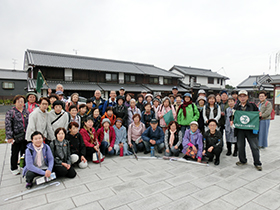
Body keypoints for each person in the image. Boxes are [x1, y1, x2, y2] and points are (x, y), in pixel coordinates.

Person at [231, 90, 262, 171]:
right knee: (240, 146)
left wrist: (259, 115)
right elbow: (232, 116)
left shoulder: (252, 105)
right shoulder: (236, 106)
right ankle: (243, 160)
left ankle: (257, 163)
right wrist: (231, 120)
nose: (242, 98)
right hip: (240, 130)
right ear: (238, 97)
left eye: (244, 96)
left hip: (250, 129)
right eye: (240, 96)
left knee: (254, 146)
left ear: (247, 97)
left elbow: (257, 116)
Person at [5, 95, 29, 175]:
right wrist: (10, 137)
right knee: (15, 152)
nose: (20, 103)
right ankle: (14, 168)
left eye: (22, 101)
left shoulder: (26, 111)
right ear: (15, 102)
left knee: (24, 151)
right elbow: (8, 125)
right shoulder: (11, 112)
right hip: (16, 136)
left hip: (25, 136)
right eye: (18, 101)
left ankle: (23, 165)